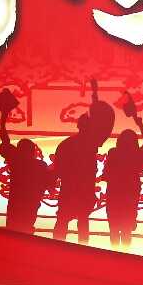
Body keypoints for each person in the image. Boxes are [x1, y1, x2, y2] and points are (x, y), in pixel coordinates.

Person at [52, 80, 115, 244]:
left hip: (69, 189)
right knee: (82, 223)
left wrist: (95, 94)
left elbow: (58, 169)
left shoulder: (67, 144)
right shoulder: (91, 143)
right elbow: (100, 120)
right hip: (83, 190)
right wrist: (95, 94)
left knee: (62, 222)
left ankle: (55, 250)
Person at [0, 88, 54, 235]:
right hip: (31, 206)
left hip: (15, 204)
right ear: (33, 151)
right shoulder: (40, 165)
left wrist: (3, 117)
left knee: (13, 233)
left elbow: (5, 140)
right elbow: (50, 185)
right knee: (26, 232)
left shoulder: (16, 161)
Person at [102, 98, 143, 248]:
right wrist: (141, 126)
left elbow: (106, 173)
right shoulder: (136, 155)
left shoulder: (114, 153)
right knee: (126, 230)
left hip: (114, 194)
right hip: (130, 194)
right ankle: (125, 255)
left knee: (114, 229)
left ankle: (113, 255)